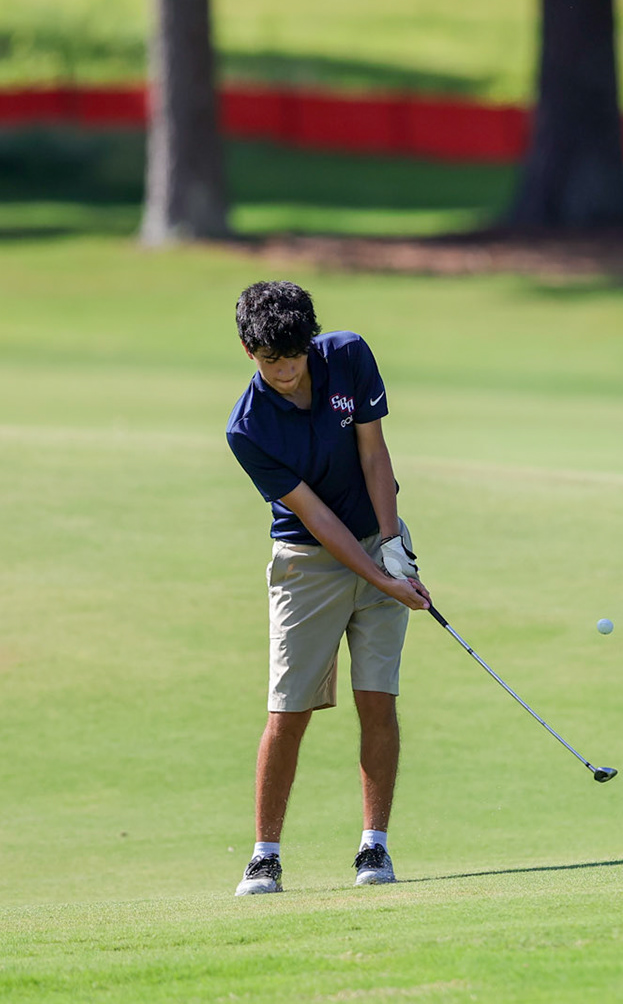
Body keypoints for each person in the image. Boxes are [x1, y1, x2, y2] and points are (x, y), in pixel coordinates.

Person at [223, 280, 431, 894]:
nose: (285, 373)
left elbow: (374, 455)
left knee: (378, 699)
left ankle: (375, 849)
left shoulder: (348, 355)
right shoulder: (248, 429)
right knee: (288, 712)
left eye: (292, 359)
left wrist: (392, 548)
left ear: (310, 344)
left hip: (377, 537)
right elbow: (316, 518)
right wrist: (382, 581)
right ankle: (265, 856)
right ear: (247, 350)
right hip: (307, 564)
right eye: (269, 362)